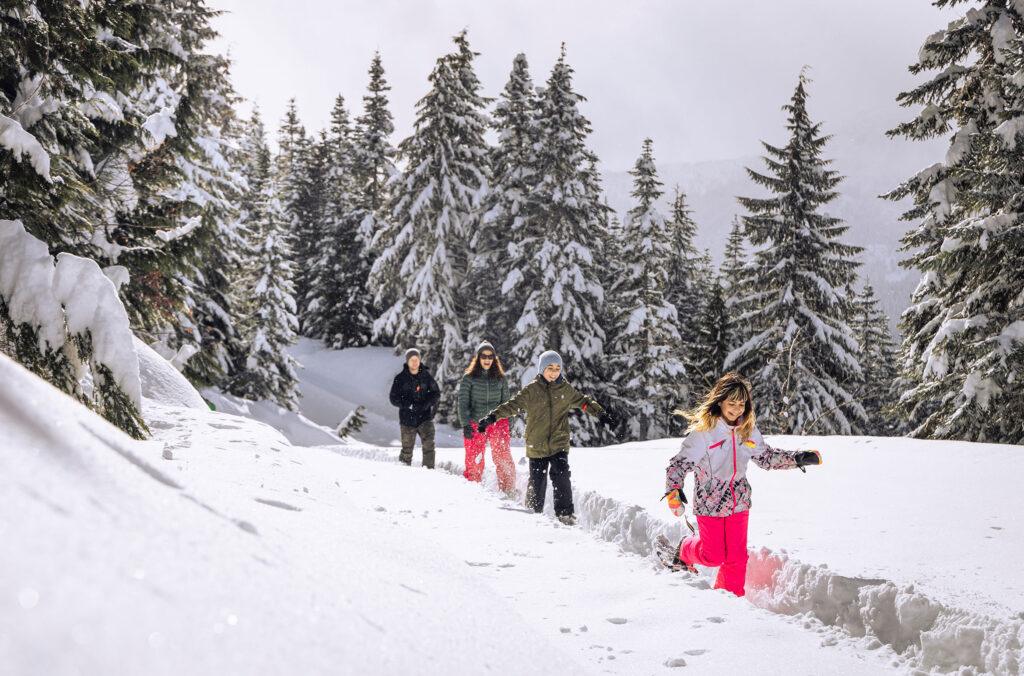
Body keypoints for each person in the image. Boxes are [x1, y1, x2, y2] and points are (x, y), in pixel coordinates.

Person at [663, 371, 821, 597]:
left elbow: (765, 457)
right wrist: (673, 492)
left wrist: (796, 459)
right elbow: (678, 465)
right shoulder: (704, 434)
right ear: (720, 401)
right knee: (713, 555)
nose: (737, 409)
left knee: (736, 558)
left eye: (742, 403)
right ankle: (684, 549)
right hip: (710, 504)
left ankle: (729, 604)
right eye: (732, 403)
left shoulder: (747, 430)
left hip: (739, 503)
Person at [477, 350, 615, 525]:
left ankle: (565, 514)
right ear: (542, 369)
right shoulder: (532, 391)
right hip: (537, 444)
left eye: (557, 368)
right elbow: (511, 406)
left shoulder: (565, 389)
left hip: (559, 442)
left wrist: (601, 414)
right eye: (550, 368)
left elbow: (583, 401)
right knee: (537, 481)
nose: (554, 372)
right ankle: (534, 513)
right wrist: (491, 418)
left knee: (562, 475)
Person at [458, 342, 517, 494]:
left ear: (494, 359)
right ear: (478, 358)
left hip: (497, 421)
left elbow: (506, 403)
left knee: (503, 457)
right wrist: (465, 424)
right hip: (476, 422)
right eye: (483, 356)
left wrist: (507, 426)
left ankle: (508, 490)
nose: (487, 359)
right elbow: (463, 403)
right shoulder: (468, 378)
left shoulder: (500, 378)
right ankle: (472, 490)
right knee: (474, 459)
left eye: (490, 356)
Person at [389, 348, 440, 469]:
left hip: (425, 418)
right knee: (406, 450)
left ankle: (429, 472)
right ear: (407, 361)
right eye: (412, 360)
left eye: (416, 359)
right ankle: (404, 472)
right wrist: (408, 404)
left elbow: (436, 393)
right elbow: (393, 398)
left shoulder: (426, 377)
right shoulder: (400, 378)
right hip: (407, 420)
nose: (414, 362)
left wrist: (426, 404)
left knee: (429, 447)